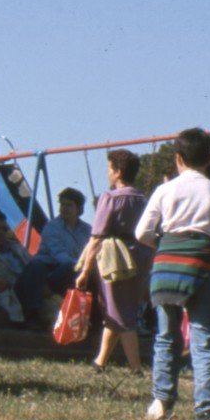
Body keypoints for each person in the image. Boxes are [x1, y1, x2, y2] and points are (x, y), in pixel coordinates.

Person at [133, 127, 210, 420]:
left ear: (178, 158)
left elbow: (142, 232)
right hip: (202, 267)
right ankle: (207, 412)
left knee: (166, 336)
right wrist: (207, 242)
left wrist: (167, 244)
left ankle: (161, 402)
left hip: (166, 267)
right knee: (204, 336)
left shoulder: (164, 190)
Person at [75, 150, 149, 372]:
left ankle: (136, 368)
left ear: (117, 172)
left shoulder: (110, 198)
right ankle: (100, 361)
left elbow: (97, 237)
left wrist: (85, 270)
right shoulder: (143, 199)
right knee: (119, 310)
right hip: (140, 256)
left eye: (109, 169)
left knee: (119, 313)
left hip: (114, 258)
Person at [13, 187, 90, 334]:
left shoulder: (86, 230)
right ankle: (33, 313)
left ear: (78, 208)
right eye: (62, 204)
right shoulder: (52, 227)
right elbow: (59, 254)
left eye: (69, 205)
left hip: (74, 270)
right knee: (38, 266)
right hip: (52, 268)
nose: (64, 208)